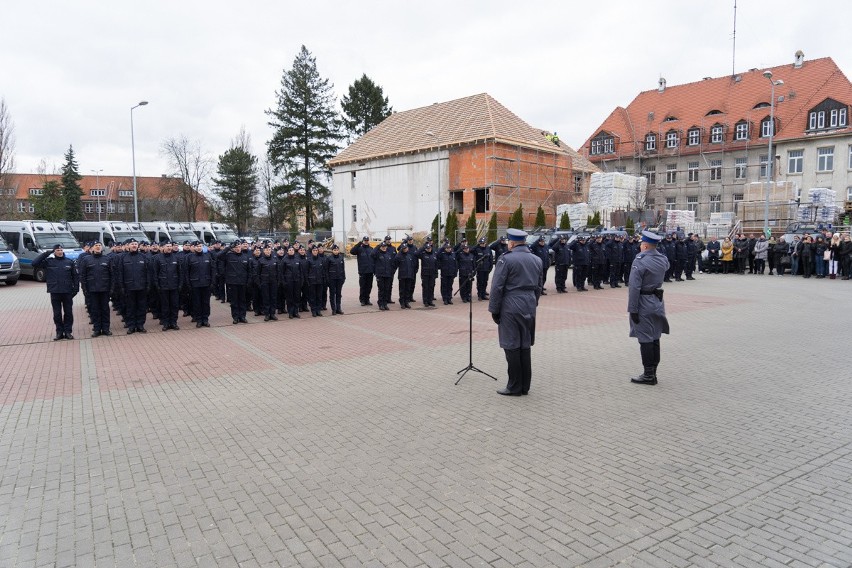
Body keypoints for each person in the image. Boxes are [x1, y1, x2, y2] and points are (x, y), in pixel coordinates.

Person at [488, 228, 542, 396]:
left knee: (511, 345)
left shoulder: (506, 260)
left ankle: (514, 386)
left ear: (511, 243)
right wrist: (533, 303)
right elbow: (539, 286)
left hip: (511, 304)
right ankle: (525, 386)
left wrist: (494, 310)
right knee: (525, 345)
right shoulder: (536, 259)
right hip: (529, 303)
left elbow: (497, 287)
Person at [627, 231, 670, 385]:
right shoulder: (662, 259)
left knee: (645, 338)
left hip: (643, 302)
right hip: (657, 300)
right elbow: (667, 266)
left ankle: (648, 375)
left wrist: (633, 309)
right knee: (655, 336)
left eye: (641, 244)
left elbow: (634, 287)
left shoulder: (640, 260)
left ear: (644, 245)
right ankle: (654, 373)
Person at [32, 244, 80, 340]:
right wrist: (46, 253)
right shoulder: (49, 262)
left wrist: (76, 289)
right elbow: (34, 263)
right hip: (55, 291)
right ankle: (59, 332)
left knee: (68, 313)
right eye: (57, 250)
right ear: (54, 251)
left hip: (67, 291)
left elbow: (75, 276)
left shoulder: (69, 262)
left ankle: (68, 332)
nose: (60, 251)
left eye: (61, 250)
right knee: (57, 314)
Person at [77, 242, 113, 337]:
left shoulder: (107, 259)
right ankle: (97, 329)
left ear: (101, 248)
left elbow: (112, 275)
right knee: (95, 310)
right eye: (95, 246)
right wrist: (84, 289)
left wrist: (111, 288)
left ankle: (106, 329)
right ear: (91, 248)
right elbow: (83, 275)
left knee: (105, 310)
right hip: (92, 289)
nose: (98, 247)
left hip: (105, 289)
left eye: (99, 246)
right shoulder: (86, 260)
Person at [153, 241, 182, 330]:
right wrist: (157, 285)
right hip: (163, 286)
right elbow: (155, 273)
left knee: (174, 305)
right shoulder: (158, 258)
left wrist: (180, 284)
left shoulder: (176, 258)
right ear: (163, 247)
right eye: (167, 246)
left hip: (174, 286)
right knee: (165, 305)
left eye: (170, 246)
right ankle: (166, 323)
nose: (169, 248)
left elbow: (180, 272)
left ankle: (173, 322)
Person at [349, 236, 375, 306]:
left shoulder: (371, 249)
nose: (366, 241)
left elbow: (373, 260)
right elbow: (352, 251)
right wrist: (359, 243)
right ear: (363, 241)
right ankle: (362, 300)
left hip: (370, 271)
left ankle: (367, 299)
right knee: (363, 286)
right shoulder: (359, 249)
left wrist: (374, 270)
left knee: (369, 286)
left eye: (367, 240)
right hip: (363, 271)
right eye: (365, 240)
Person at [324, 244, 346, 314]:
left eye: (337, 250)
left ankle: (338, 308)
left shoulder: (341, 257)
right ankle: (333, 309)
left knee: (339, 294)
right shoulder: (329, 258)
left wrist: (344, 277)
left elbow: (343, 269)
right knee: (332, 294)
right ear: (332, 251)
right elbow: (326, 270)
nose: (336, 251)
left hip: (339, 278)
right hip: (332, 279)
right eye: (334, 250)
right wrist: (327, 280)